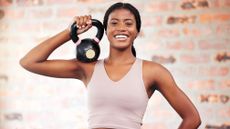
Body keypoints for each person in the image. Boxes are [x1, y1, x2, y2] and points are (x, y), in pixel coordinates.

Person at [20, 2, 201, 129]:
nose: (121, 28)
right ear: (105, 31)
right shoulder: (87, 68)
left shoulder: (153, 71)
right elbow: (29, 62)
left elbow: (192, 118)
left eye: (128, 23)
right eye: (114, 23)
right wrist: (70, 32)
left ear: (136, 32)